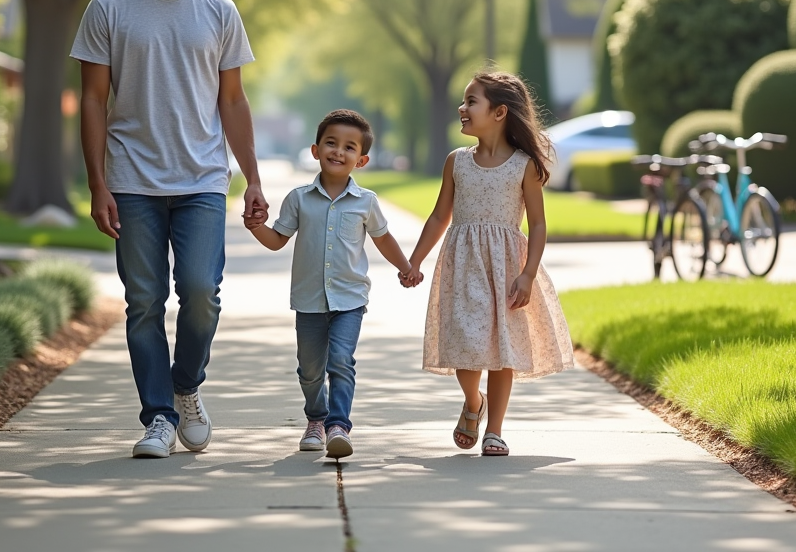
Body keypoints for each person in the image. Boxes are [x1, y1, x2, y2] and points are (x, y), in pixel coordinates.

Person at [71, 0, 268, 459]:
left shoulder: (219, 12)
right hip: (131, 181)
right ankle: (158, 416)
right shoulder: (108, 9)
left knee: (202, 293)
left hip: (203, 180)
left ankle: (186, 386)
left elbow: (233, 101)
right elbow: (92, 101)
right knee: (144, 302)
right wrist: (97, 182)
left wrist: (253, 178)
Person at [404, 71, 574, 456]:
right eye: (463, 103)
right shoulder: (456, 162)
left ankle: (494, 430)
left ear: (499, 112)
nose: (462, 109)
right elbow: (437, 217)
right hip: (464, 266)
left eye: (471, 102)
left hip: (507, 268)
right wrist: (414, 261)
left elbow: (539, 223)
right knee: (466, 343)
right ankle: (473, 401)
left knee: (502, 349)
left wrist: (528, 273)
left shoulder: (523, 166)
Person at [245, 109, 416, 459]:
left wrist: (406, 267)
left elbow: (383, 240)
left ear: (362, 159)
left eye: (349, 147)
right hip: (308, 299)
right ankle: (316, 419)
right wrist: (254, 227)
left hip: (350, 298)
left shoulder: (366, 202)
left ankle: (339, 425)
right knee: (309, 369)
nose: (339, 151)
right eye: (331, 143)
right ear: (315, 149)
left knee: (341, 360)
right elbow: (278, 239)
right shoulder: (298, 198)